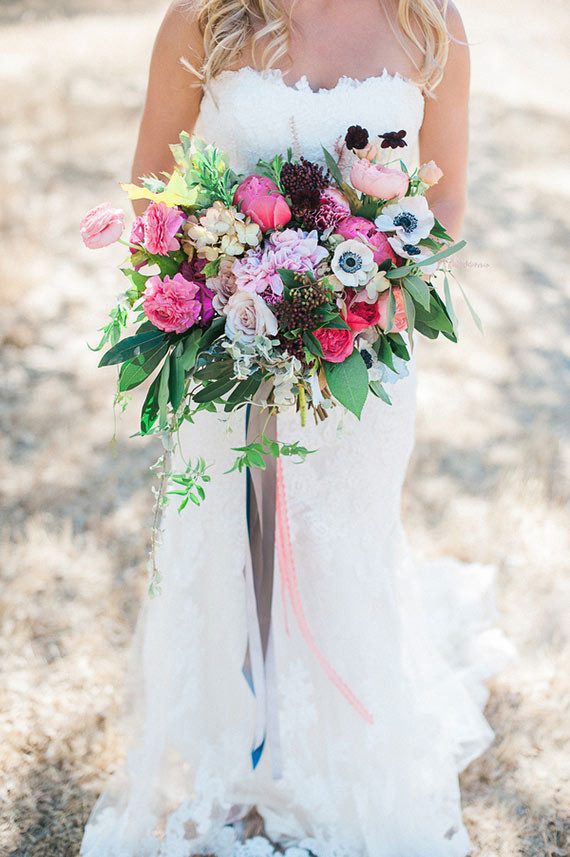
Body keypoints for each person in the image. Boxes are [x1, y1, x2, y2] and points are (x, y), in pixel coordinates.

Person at [80, 2, 514, 855]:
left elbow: (447, 191)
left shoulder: (432, 24)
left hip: (365, 356)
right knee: (228, 551)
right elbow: (150, 190)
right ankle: (239, 758)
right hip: (230, 346)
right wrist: (207, 282)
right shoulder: (207, 21)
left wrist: (387, 292)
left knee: (341, 547)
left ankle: (333, 756)